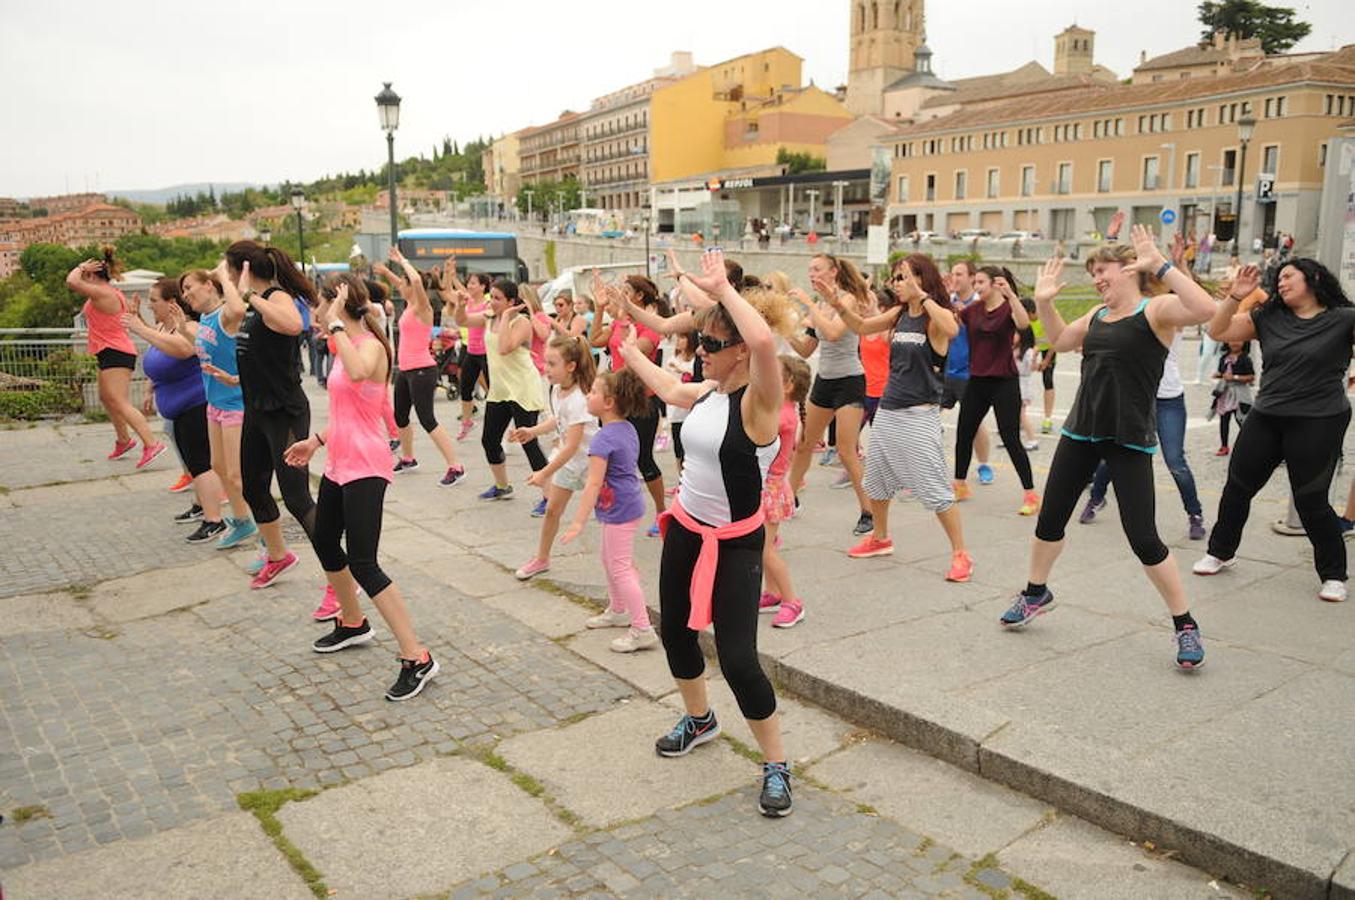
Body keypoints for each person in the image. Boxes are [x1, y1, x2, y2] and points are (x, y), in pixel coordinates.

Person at [619, 248, 795, 818]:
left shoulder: (761, 403)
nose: (700, 353)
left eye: (710, 346)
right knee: (676, 635)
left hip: (738, 543)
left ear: (739, 351)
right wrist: (623, 348)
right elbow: (670, 390)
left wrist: (723, 291)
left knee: (740, 659)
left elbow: (767, 342)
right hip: (686, 532)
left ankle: (775, 763)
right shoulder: (709, 393)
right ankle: (700, 719)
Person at [1003, 227, 1217, 669]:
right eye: (1094, 273)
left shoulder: (1155, 310)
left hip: (1129, 437)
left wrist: (1160, 264)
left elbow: (1206, 308)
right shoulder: (1098, 316)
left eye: (1103, 270)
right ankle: (1035, 592)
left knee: (1143, 537)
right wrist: (1044, 302)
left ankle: (1185, 624)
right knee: (1050, 520)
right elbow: (1059, 341)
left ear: (1128, 270)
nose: (1098, 278)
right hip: (1082, 430)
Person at [283, 275, 438, 700]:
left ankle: (417, 656)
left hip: (367, 466)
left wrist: (334, 325)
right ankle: (353, 622)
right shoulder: (342, 345)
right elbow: (349, 410)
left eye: (321, 303)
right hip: (338, 461)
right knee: (327, 541)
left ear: (338, 304)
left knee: (364, 563)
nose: (314, 311)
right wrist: (315, 441)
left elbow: (357, 371)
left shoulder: (367, 347)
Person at [1194, 259, 1355, 603]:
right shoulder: (1268, 317)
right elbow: (1217, 331)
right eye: (1278, 278)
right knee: (1237, 487)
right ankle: (1220, 552)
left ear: (1313, 277)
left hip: (1319, 418)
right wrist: (1236, 297)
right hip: (1267, 415)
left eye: (1288, 276)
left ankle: (1333, 574)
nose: (1280, 283)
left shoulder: (1343, 319)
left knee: (1311, 499)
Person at [832, 254, 972, 582]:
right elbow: (863, 326)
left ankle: (961, 554)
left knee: (935, 486)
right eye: (895, 278)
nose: (896, 284)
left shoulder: (935, 317)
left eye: (903, 277)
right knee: (877, 482)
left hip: (919, 414)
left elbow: (952, 329)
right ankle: (880, 537)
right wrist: (835, 304)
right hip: (888, 412)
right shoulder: (898, 315)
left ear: (922, 279)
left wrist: (923, 296)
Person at [219, 241, 317, 593]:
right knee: (253, 488)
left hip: (284, 412)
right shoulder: (251, 304)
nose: (225, 272)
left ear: (242, 269)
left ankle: (341, 571)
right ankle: (278, 556)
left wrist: (249, 295)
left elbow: (292, 325)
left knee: (296, 496)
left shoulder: (276, 298)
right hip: (256, 412)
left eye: (227, 267)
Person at [559, 367, 658, 653]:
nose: (587, 396)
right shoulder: (625, 428)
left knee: (620, 567)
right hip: (626, 504)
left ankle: (642, 627)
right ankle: (618, 610)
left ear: (609, 402)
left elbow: (593, 483)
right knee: (611, 560)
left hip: (620, 508)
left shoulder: (603, 438)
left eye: (592, 392)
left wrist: (577, 522)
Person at [123, 280, 227, 544]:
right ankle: (201, 503)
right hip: (177, 408)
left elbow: (182, 348)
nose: (149, 304)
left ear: (171, 304)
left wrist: (139, 329)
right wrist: (141, 325)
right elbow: (160, 350)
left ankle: (214, 519)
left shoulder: (190, 327)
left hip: (195, 405)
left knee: (201, 464)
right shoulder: (161, 327)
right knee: (191, 462)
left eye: (153, 300)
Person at [786, 254, 875, 536]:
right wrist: (782, 329)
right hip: (825, 380)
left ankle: (869, 512)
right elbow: (806, 350)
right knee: (804, 444)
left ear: (833, 272)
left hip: (849, 381)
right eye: (810, 269)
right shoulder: (821, 305)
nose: (812, 274)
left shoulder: (847, 300)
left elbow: (835, 333)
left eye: (818, 269)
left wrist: (809, 304)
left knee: (847, 451)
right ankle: (787, 499)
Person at [450, 278, 548, 505]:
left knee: (528, 442)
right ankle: (502, 485)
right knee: (489, 440)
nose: (492, 302)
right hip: (501, 390)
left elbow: (505, 348)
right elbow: (462, 320)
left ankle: (549, 495)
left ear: (511, 301)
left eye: (497, 298)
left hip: (523, 388)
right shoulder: (488, 317)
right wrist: (461, 304)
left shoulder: (521, 322)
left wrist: (505, 317)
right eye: (491, 297)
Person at [952, 266, 1040, 515]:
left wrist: (1011, 295)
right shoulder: (973, 310)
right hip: (977, 380)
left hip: (1004, 381)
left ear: (995, 284)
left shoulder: (1007, 308)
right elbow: (954, 322)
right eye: (975, 282)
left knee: (1011, 438)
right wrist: (948, 296)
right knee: (964, 432)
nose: (977, 286)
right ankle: (959, 484)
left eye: (981, 282)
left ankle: (1031, 494)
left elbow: (1024, 324)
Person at [66, 250, 165, 467]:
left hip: (116, 352)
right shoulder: (106, 292)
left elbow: (71, 281)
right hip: (108, 350)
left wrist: (81, 267)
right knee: (106, 397)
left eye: (86, 275)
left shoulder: (104, 293)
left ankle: (151, 443)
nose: (83, 278)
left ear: (92, 276)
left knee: (119, 401)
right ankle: (124, 440)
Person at [182, 269, 258, 551]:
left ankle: (266, 532)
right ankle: (241, 520)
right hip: (214, 403)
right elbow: (206, 350)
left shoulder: (226, 314)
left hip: (235, 404)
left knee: (239, 475)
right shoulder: (203, 319)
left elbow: (239, 307)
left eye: (190, 288)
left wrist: (224, 276)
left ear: (208, 286)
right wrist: (180, 327)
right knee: (218, 467)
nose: (187, 295)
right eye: (184, 291)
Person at [512, 335, 598, 580]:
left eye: (552, 364)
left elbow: (571, 446)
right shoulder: (557, 390)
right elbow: (558, 421)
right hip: (571, 463)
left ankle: (619, 558)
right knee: (552, 510)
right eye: (546, 363)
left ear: (571, 366)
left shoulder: (580, 399)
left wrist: (544, 473)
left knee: (610, 514)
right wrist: (532, 432)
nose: (546, 369)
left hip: (594, 463)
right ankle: (541, 559)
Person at [379, 249, 466, 486]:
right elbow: (404, 282)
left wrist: (402, 260)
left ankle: (455, 466)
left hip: (422, 370)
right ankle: (408, 458)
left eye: (402, 284)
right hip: (406, 370)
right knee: (400, 416)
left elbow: (415, 280)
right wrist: (387, 270)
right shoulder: (409, 305)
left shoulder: (422, 308)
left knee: (427, 419)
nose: (399, 287)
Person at [589, 273, 668, 533]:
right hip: (615, 403)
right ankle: (617, 507)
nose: (619, 294)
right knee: (612, 459)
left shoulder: (649, 327)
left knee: (644, 460)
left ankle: (661, 513)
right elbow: (594, 340)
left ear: (638, 297)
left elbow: (633, 352)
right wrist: (600, 308)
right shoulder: (618, 323)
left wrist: (622, 318)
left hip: (641, 402)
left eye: (625, 291)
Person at [756, 356, 812, 627]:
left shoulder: (782, 417)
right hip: (769, 485)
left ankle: (792, 601)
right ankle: (773, 593)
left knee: (765, 550)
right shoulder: (782, 409)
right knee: (765, 545)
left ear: (788, 385)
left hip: (770, 488)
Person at [943, 261, 995, 483]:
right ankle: (926, 466)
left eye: (959, 274)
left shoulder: (979, 304)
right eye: (952, 273)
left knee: (974, 424)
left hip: (969, 373)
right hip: (944, 371)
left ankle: (984, 465)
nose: (954, 278)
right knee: (926, 417)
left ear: (971, 277)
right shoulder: (948, 302)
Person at [447, 264, 492, 441]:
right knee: (465, 388)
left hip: (487, 353)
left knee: (493, 391)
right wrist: (450, 276)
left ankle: (503, 424)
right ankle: (467, 422)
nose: (470, 286)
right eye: (469, 283)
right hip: (471, 351)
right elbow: (453, 292)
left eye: (474, 283)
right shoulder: (469, 301)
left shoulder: (489, 303)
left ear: (482, 286)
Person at [1208, 341, 1255, 455]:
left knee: (1242, 420)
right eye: (1232, 340)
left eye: (1238, 341)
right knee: (1224, 420)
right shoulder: (1223, 358)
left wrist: (1234, 377)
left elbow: (1251, 377)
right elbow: (1222, 372)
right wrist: (1219, 374)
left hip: (1239, 394)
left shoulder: (1245, 359)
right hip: (1225, 393)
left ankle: (1251, 445)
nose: (1235, 343)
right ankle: (1224, 446)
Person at [663, 331, 698, 483]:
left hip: (690, 410)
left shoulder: (695, 360)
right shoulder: (673, 359)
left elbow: (695, 374)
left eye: (683, 338)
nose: (679, 342)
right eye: (678, 338)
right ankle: (680, 480)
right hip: (675, 410)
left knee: (689, 449)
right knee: (678, 448)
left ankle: (688, 480)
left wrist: (681, 369)